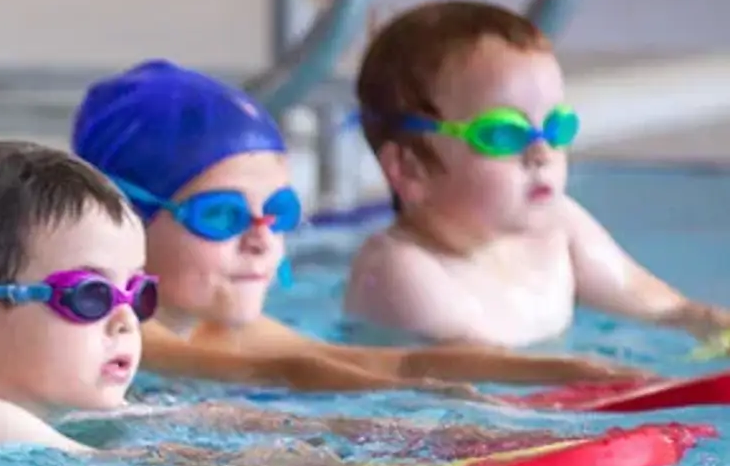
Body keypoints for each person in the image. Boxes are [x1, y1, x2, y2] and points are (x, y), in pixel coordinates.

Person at [0, 140, 566, 466]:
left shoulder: (53, 392)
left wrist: (421, 438)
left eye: (137, 294)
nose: (124, 321)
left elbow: (200, 417)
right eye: (89, 296)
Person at [69, 60, 644, 392]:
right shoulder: (124, 337)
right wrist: (427, 426)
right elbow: (289, 372)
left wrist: (565, 372)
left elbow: (400, 361)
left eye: (281, 214)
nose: (262, 240)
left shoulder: (214, 327)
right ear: (123, 216)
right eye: (221, 215)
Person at [344, 0, 730, 346]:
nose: (541, 152)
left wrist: (711, 324)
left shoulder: (558, 228)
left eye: (556, 127)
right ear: (409, 169)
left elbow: (659, 305)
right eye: (503, 134)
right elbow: (467, 382)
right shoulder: (404, 270)